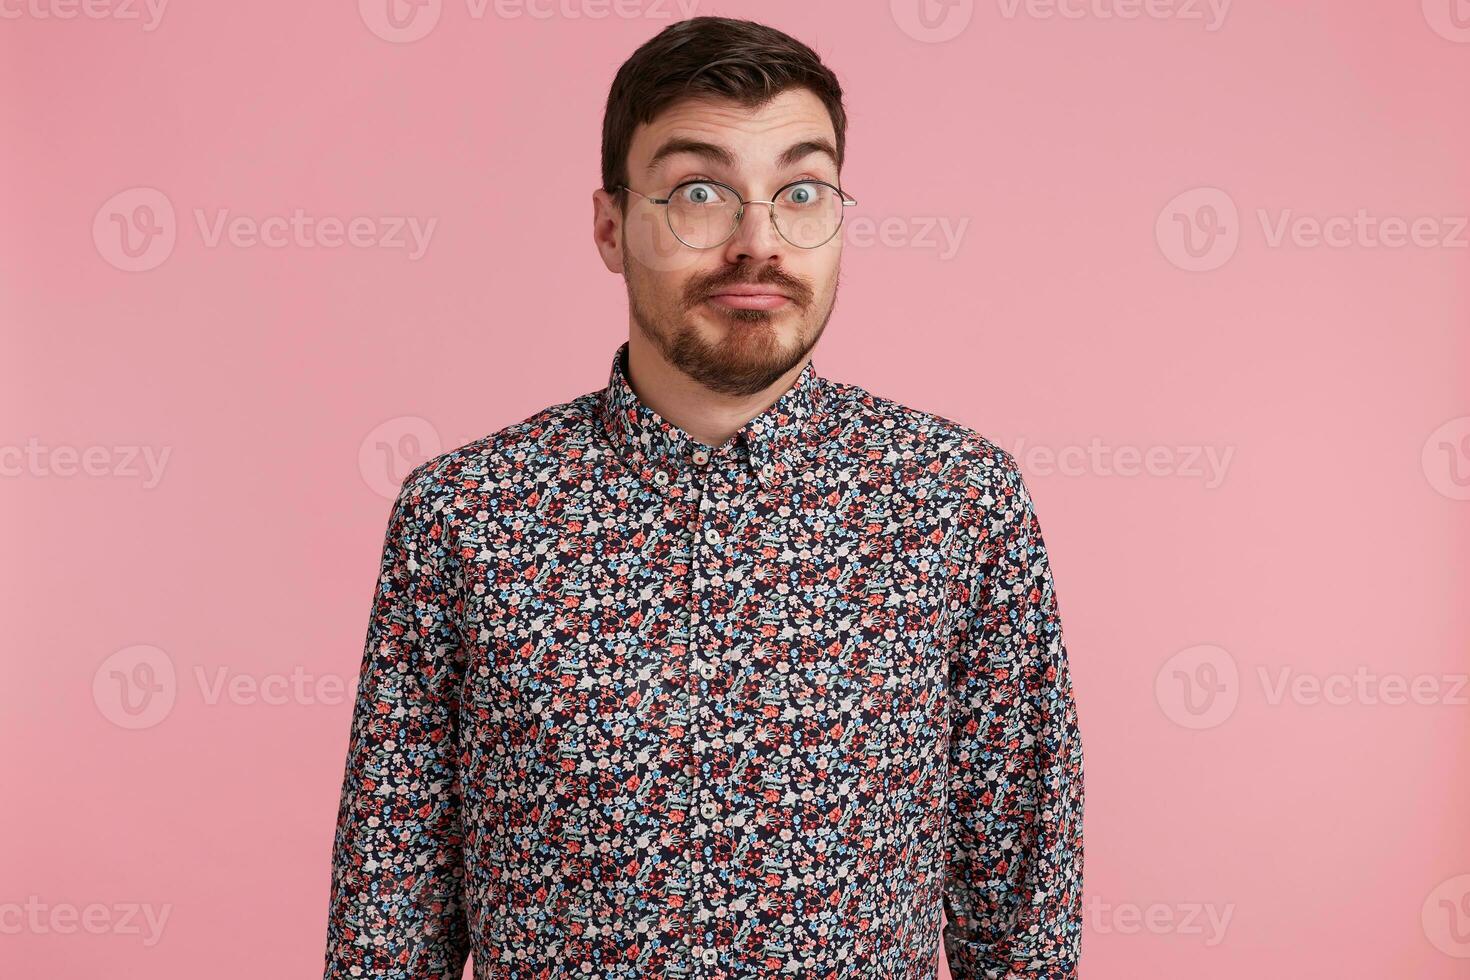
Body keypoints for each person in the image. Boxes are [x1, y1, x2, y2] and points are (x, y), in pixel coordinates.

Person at [324, 15, 1083, 979]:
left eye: (800, 192)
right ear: (609, 225)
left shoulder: (958, 502)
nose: (756, 242)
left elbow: (1023, 911)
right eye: (700, 193)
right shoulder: (465, 517)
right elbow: (388, 925)